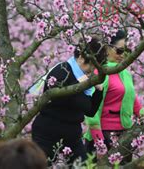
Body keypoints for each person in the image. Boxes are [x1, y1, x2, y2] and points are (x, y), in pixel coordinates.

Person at [31, 37, 107, 165]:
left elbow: (90, 111)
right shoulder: (62, 71)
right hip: (47, 133)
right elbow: (67, 99)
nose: (92, 70)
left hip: (72, 134)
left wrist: (98, 91)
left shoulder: (85, 78)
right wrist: (78, 84)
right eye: (91, 65)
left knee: (83, 165)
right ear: (82, 57)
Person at [84, 30, 142, 164]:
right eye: (120, 51)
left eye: (126, 50)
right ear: (107, 48)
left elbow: (133, 100)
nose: (123, 55)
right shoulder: (101, 73)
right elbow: (92, 112)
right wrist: (100, 145)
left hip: (124, 134)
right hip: (104, 136)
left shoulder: (125, 72)